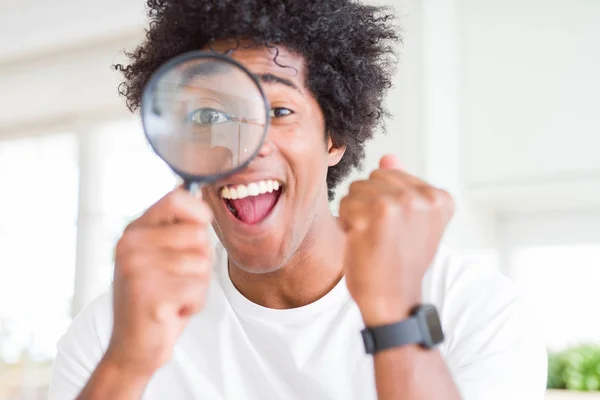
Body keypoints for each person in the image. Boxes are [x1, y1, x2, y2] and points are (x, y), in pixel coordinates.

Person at [49, 1, 547, 399]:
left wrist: (395, 315)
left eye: (279, 109)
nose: (242, 148)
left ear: (334, 138)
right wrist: (126, 365)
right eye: (206, 117)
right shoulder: (111, 333)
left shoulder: (476, 311)